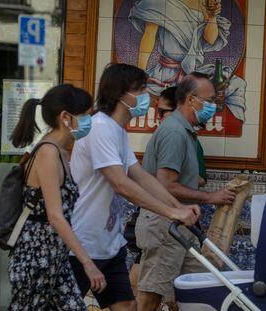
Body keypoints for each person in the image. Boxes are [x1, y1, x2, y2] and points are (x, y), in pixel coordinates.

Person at [69, 63, 200, 311]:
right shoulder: (99, 128)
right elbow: (121, 184)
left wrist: (179, 207)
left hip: (108, 243)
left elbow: (141, 176)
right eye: (139, 90)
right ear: (120, 94)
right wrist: (171, 213)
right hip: (82, 244)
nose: (146, 97)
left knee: (128, 307)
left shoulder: (117, 131)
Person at [136, 72, 237, 311]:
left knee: (199, 290)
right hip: (165, 226)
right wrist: (211, 197)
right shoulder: (174, 133)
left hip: (180, 227)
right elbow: (166, 185)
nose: (214, 106)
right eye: (210, 100)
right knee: (152, 295)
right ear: (191, 100)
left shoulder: (185, 131)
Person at [8, 84, 106, 310]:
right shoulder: (48, 153)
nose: (89, 121)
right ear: (65, 117)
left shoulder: (61, 151)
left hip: (55, 258)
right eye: (86, 115)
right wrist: (87, 263)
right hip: (36, 258)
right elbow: (55, 216)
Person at [128, 0, 247, 122]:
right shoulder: (158, 2)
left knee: (234, 84)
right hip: (165, 72)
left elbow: (210, 39)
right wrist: (140, 72)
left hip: (193, 72)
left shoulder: (203, 2)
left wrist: (212, 17)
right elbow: (149, 36)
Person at [158, 86, 208, 186]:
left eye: (161, 112)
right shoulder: (169, 134)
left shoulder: (178, 135)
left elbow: (201, 180)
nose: (158, 117)